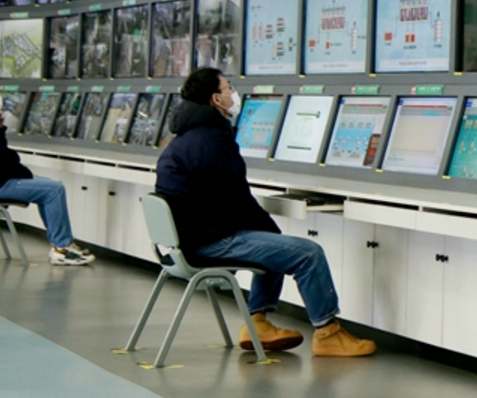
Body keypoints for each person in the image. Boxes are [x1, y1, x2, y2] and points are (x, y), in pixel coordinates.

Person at [155, 68, 375, 357]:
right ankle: (328, 333)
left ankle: (257, 323)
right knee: (308, 253)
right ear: (215, 99)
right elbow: (233, 201)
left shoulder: (188, 138)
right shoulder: (210, 142)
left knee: (273, 243)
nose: (234, 93)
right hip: (209, 241)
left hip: (191, 238)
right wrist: (267, 227)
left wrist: (268, 230)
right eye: (228, 87)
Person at [0, 76, 94, 265]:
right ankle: (62, 248)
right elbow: (3, 159)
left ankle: (61, 245)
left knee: (49, 187)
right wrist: (27, 174)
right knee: (54, 190)